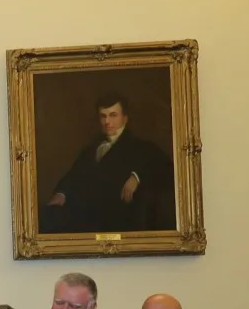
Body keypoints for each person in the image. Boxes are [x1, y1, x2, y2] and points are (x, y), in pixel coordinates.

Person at [42, 93, 174, 234]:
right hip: (87, 218)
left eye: (113, 115)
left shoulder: (141, 147)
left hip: (120, 220)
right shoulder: (90, 149)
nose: (107, 122)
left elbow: (164, 167)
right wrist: (62, 193)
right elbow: (74, 175)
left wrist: (136, 177)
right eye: (103, 116)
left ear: (125, 118)